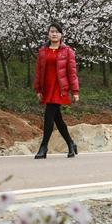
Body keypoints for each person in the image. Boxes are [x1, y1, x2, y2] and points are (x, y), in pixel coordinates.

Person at [33, 23, 79, 159]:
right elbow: (38, 72)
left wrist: (75, 91)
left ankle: (43, 147)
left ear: (61, 35)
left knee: (48, 115)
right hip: (47, 86)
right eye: (51, 31)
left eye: (57, 32)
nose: (54, 34)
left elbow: (72, 72)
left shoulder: (67, 51)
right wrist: (38, 88)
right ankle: (71, 144)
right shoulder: (42, 51)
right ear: (48, 34)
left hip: (59, 87)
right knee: (57, 118)